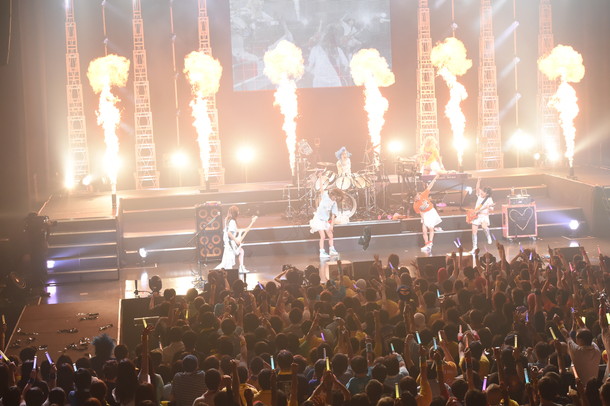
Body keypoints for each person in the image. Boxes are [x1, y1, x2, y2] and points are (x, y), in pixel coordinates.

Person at [215, 206, 257, 273]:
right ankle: (214, 273)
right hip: (230, 245)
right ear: (235, 213)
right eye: (238, 211)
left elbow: (231, 231)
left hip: (229, 243)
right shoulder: (232, 222)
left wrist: (248, 226)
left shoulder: (228, 220)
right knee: (226, 265)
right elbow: (229, 233)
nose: (239, 212)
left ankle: (241, 268)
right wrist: (236, 240)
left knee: (241, 251)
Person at [310, 188, 344, 259]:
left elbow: (333, 215)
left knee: (331, 235)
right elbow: (321, 189)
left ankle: (332, 250)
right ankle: (322, 252)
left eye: (337, 198)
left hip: (325, 221)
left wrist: (331, 225)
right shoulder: (325, 196)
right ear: (332, 195)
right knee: (323, 236)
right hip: (318, 219)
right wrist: (321, 181)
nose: (335, 199)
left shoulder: (334, 203)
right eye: (335, 197)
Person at [413, 174, 441, 253]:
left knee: (431, 228)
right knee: (424, 230)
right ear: (414, 198)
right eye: (416, 197)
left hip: (431, 212)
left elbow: (429, 187)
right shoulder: (415, 205)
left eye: (418, 195)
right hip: (425, 214)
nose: (418, 197)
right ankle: (427, 244)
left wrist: (434, 179)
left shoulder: (423, 195)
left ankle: (430, 242)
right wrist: (423, 219)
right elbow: (421, 212)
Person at [469, 178, 494, 253]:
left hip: (484, 216)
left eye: (484, 192)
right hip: (476, 216)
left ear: (487, 194)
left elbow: (492, 209)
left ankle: (488, 235)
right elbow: (477, 188)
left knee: (484, 227)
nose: (482, 192)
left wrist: (488, 207)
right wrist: (478, 181)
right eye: (482, 191)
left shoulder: (489, 199)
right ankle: (474, 247)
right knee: (474, 232)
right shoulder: (479, 195)